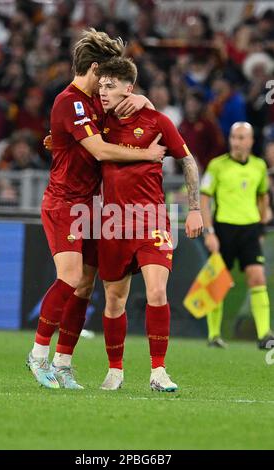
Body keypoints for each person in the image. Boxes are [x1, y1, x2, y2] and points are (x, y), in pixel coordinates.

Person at [27, 29, 165, 390]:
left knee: (85, 287)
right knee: (70, 277)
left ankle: (63, 363)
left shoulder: (94, 102)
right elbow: (101, 151)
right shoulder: (70, 101)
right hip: (64, 202)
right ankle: (38, 354)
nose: (107, 85)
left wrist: (145, 101)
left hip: (91, 206)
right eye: (104, 76)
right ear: (92, 68)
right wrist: (145, 154)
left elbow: (128, 116)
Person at [95, 57, 203, 391]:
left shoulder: (156, 120)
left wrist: (196, 208)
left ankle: (158, 371)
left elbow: (187, 159)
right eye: (100, 86)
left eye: (110, 86)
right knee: (115, 301)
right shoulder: (99, 123)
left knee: (157, 291)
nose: (102, 92)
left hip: (152, 219)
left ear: (129, 88)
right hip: (113, 223)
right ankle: (115, 371)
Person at [200, 122, 274, 349]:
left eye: (242, 137)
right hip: (223, 229)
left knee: (257, 278)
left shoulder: (259, 166)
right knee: (218, 283)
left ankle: (265, 336)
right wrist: (209, 231)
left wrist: (261, 224)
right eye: (234, 137)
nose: (237, 141)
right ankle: (214, 336)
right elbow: (204, 199)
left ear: (251, 141)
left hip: (250, 229)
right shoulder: (217, 166)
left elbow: (262, 196)